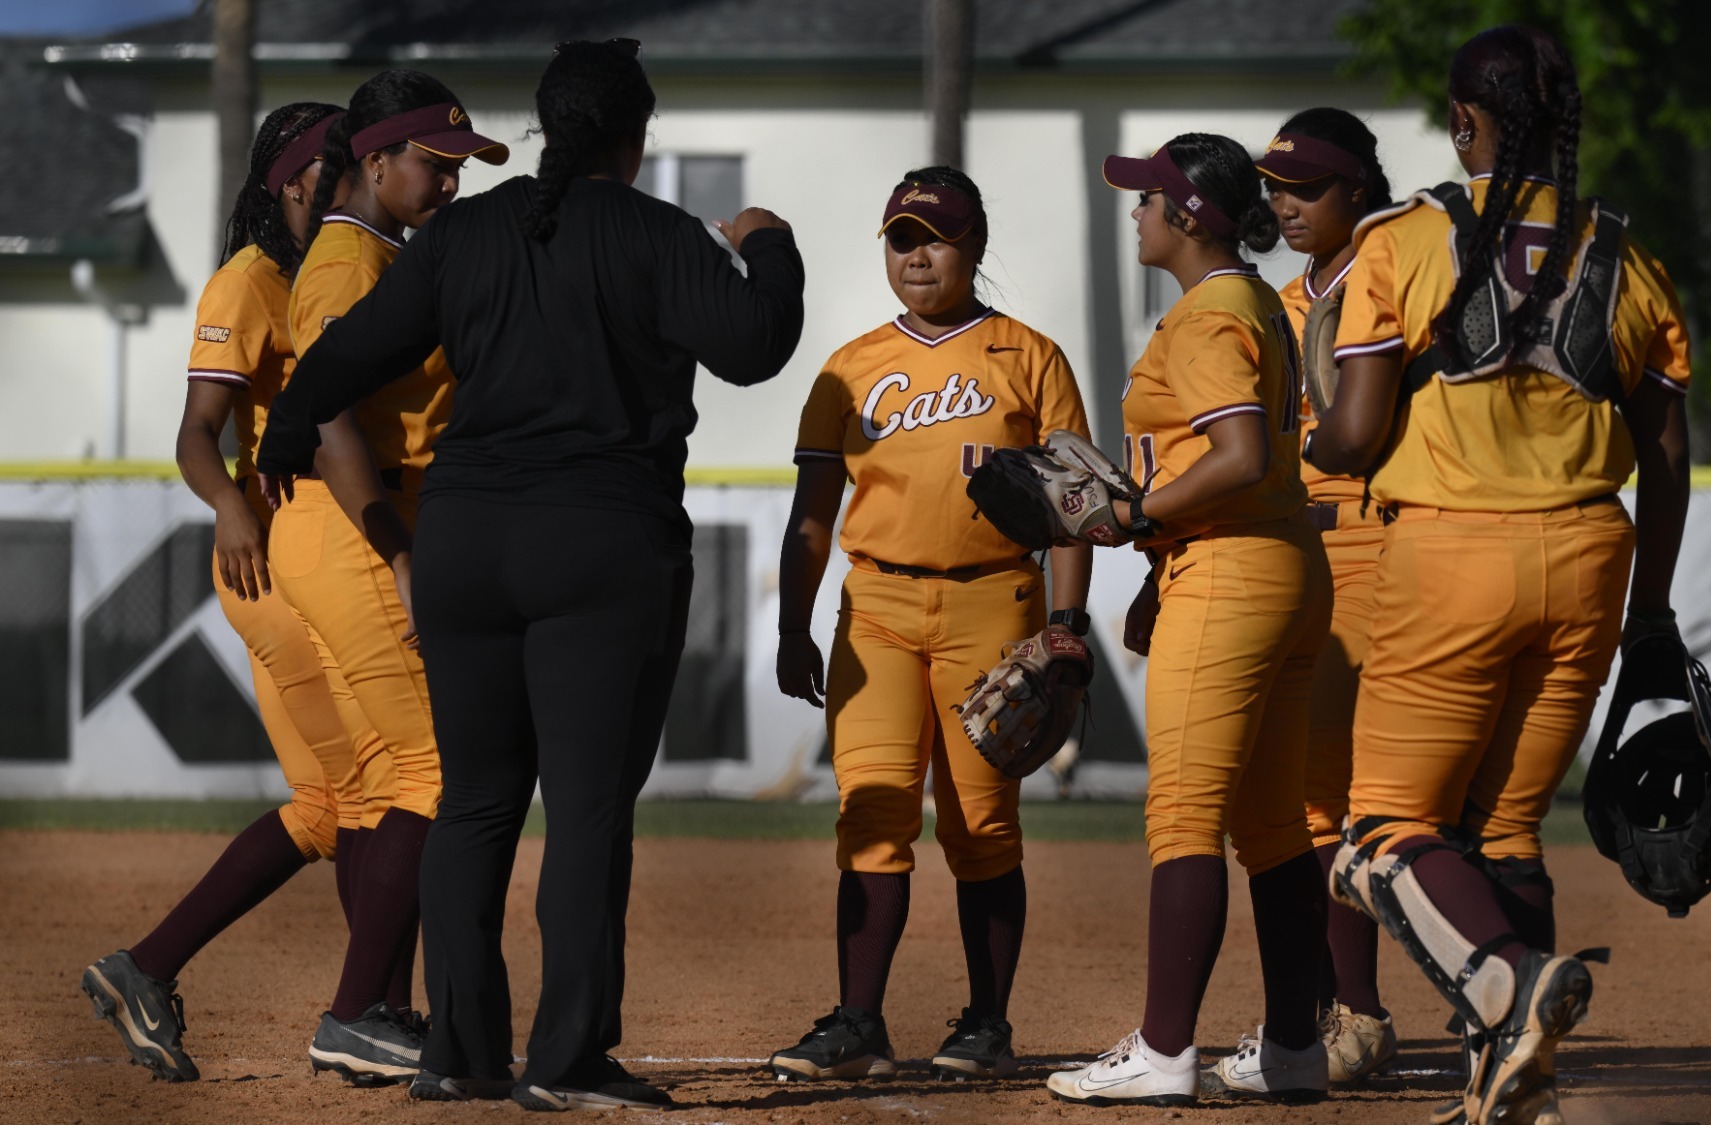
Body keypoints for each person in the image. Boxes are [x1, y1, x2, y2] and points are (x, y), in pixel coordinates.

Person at [257, 40, 806, 1110]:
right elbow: (754, 344)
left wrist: (279, 437)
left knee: (473, 805)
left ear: (552, 129)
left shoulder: (462, 230)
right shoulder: (657, 233)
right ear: (634, 141)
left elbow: (343, 360)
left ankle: (458, 1053)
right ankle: (564, 1061)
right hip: (599, 543)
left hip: (464, 539)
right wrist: (769, 245)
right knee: (587, 808)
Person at [1306, 25, 1691, 1125]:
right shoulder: (1622, 250)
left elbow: (1359, 433)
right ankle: (1510, 1080)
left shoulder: (1405, 241)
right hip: (1588, 556)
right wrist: (1650, 610)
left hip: (1454, 552)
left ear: (1463, 121)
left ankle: (1507, 989)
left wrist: (1315, 445)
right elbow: (1663, 449)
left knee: (1374, 835)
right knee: (1506, 831)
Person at [80, 100, 389, 1085]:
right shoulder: (252, 279)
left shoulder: (340, 270)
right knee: (379, 789)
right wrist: (226, 506)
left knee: (332, 805)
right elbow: (194, 433)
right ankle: (370, 1011)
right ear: (290, 181)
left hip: (322, 554)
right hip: (276, 556)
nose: (342, 183)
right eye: (327, 170)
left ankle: (148, 966)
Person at [767, 168, 1094, 1085]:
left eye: (936, 237)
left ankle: (987, 1022)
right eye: (901, 238)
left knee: (982, 827)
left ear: (975, 245)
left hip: (996, 601)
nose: (916, 256)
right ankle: (859, 1021)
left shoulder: (1029, 356)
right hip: (877, 608)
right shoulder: (849, 366)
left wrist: (1066, 628)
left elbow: (1074, 508)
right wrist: (795, 627)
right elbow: (814, 510)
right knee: (869, 812)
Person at [1045, 134, 1334, 1107]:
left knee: (1183, 818)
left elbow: (1238, 455)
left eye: (1145, 200)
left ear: (1187, 217)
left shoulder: (1210, 313)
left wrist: (1132, 518)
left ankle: (1165, 1052)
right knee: (1268, 825)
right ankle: (1294, 1046)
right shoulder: (1251, 300)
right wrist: (1157, 562)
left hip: (1234, 575)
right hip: (1276, 571)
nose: (1134, 214)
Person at [265, 67, 510, 1085]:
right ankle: (355, 1009)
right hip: (354, 527)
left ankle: (379, 1007)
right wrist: (400, 555)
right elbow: (331, 423)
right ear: (375, 162)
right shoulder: (344, 267)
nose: (450, 183)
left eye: (459, 166)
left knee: (381, 784)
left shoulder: (380, 253)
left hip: (353, 527)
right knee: (440, 772)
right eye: (436, 163)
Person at [1253, 108, 1400, 1085]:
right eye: (1275, 189)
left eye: (1304, 189)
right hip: (1288, 552)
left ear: (1358, 187)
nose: (1284, 206)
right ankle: (1318, 1003)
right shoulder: (1278, 296)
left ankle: (1357, 1011)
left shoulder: (1389, 279)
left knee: (1338, 801)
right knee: (1294, 793)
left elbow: (1357, 435)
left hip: (1373, 551)